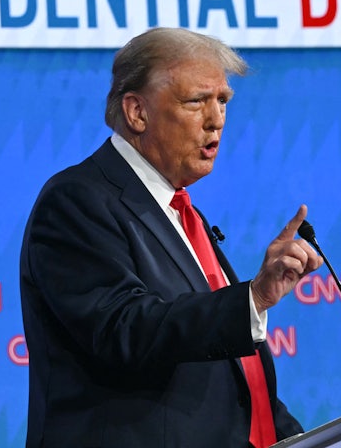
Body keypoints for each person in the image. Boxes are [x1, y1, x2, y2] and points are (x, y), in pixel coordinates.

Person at [19, 27, 323, 448]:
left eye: (223, 101)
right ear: (137, 112)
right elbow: (124, 329)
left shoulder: (182, 213)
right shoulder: (77, 200)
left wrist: (297, 439)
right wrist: (251, 300)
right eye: (196, 101)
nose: (216, 119)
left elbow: (233, 378)